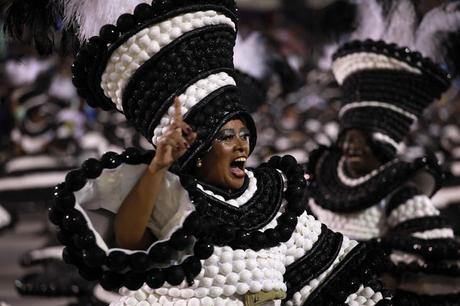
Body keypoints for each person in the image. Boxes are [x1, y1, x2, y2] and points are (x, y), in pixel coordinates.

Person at [4, 0, 395, 305]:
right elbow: (124, 241)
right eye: (227, 135)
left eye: (245, 132)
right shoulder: (164, 195)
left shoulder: (271, 201)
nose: (242, 144)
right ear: (196, 147)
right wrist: (158, 168)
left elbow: (328, 279)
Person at [306, 0, 460, 304]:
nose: (350, 147)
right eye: (347, 138)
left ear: (381, 144)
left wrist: (388, 278)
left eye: (359, 140)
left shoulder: (401, 194)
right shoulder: (318, 182)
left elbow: (440, 272)